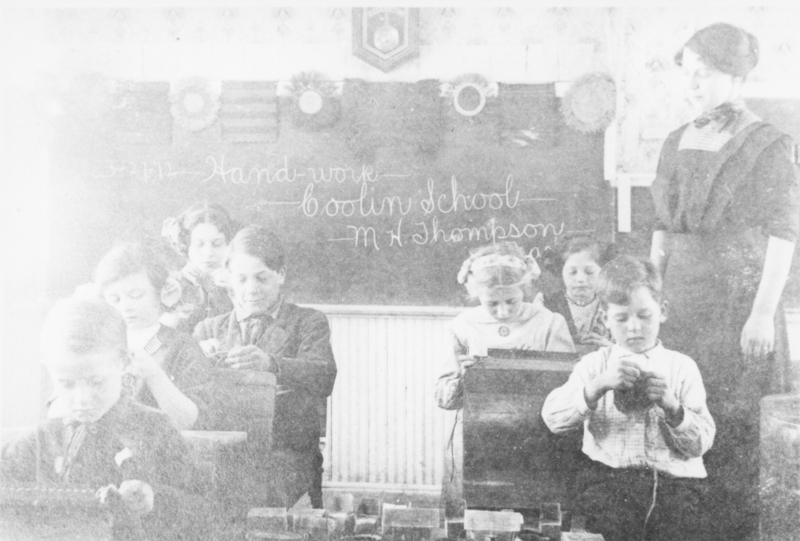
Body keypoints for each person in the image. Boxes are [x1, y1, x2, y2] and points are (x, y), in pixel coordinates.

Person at [649, 22, 798, 540]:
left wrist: (762, 314)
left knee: (732, 430)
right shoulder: (675, 140)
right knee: (676, 415)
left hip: (739, 307)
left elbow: (783, 233)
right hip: (681, 303)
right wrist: (652, 295)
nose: (692, 84)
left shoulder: (770, 143)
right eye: (688, 73)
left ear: (736, 77)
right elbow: (662, 228)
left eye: (705, 73)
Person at [1, 296, 211, 541]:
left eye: (96, 382)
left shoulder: (156, 430)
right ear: (48, 368)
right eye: (66, 384)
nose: (81, 399)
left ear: (124, 362)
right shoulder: (40, 440)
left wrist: (156, 499)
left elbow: (205, 512)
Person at [542, 256, 715, 541]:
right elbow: (553, 420)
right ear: (605, 319)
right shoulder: (596, 364)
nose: (634, 327)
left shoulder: (682, 367)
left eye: (644, 316)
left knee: (684, 524)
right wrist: (597, 386)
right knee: (601, 519)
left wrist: (673, 406)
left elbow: (700, 445)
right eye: (621, 318)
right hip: (610, 481)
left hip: (675, 484)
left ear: (663, 311)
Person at [194, 226, 337, 510]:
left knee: (256, 495)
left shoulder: (307, 322)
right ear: (229, 280)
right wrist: (199, 363)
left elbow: (323, 376)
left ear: (280, 274)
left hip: (286, 453)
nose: (251, 289)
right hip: (224, 449)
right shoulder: (208, 329)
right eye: (241, 279)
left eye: (261, 278)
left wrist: (271, 364)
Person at [435, 241, 575, 518]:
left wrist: (531, 366)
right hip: (479, 439)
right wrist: (467, 378)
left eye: (511, 301)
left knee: (534, 520)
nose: (503, 312)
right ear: (476, 293)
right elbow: (443, 398)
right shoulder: (462, 326)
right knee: (477, 518)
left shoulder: (549, 323)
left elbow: (570, 391)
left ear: (525, 289)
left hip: (536, 440)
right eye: (492, 304)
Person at [92, 241, 212, 430]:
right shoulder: (99, 346)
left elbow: (192, 421)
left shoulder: (182, 347)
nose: (125, 307)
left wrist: (154, 374)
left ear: (160, 293)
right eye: (115, 299)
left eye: (136, 295)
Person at [161, 202, 238, 334]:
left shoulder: (240, 281)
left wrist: (236, 288)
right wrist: (179, 291)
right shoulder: (175, 284)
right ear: (186, 246)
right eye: (199, 244)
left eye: (217, 244)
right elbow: (159, 334)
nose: (208, 253)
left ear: (228, 245)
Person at [543, 235, 614, 354]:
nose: (580, 279)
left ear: (603, 272)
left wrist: (610, 347)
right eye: (572, 272)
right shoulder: (546, 304)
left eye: (589, 272)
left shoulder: (611, 304)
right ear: (561, 272)